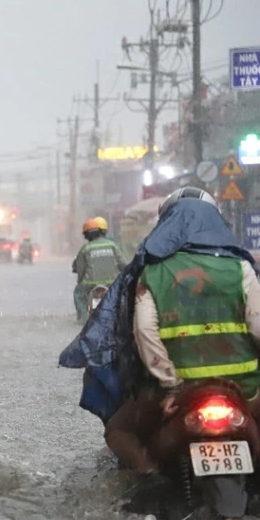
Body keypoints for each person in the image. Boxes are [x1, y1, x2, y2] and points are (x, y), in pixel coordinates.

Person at [104, 187, 260, 485]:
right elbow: (258, 326)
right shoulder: (240, 268)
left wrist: (170, 385)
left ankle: (149, 476)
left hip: (177, 393)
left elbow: (145, 334)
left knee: (119, 431)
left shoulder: (152, 272)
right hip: (246, 390)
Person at [72, 217, 125, 322]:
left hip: (90, 284)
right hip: (112, 282)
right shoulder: (112, 245)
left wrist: (80, 281)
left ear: (86, 235)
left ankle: (83, 318)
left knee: (78, 293)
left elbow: (80, 269)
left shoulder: (86, 248)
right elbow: (123, 264)